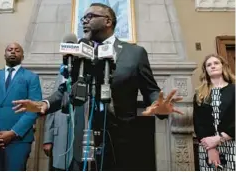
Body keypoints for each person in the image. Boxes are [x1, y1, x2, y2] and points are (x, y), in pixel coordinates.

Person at [13, 3, 183, 170]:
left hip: (121, 142)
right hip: (82, 139)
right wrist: (44, 104)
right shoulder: (78, 53)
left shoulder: (135, 53)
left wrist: (159, 107)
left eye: (90, 16)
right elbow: (65, 91)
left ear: (108, 21)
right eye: (83, 18)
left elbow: (151, 91)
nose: (84, 21)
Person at [0, 42, 42, 171]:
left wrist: (12, 133)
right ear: (4, 54)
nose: (13, 52)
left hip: (18, 141)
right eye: (9, 50)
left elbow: (34, 109)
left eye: (17, 50)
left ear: (22, 56)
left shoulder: (32, 78)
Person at [193, 54, 235, 171]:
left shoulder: (234, 90)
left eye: (216, 63)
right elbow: (198, 123)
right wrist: (210, 148)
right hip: (207, 148)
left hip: (232, 143)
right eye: (209, 65)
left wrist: (219, 138)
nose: (213, 66)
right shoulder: (199, 94)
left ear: (223, 66)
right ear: (205, 70)